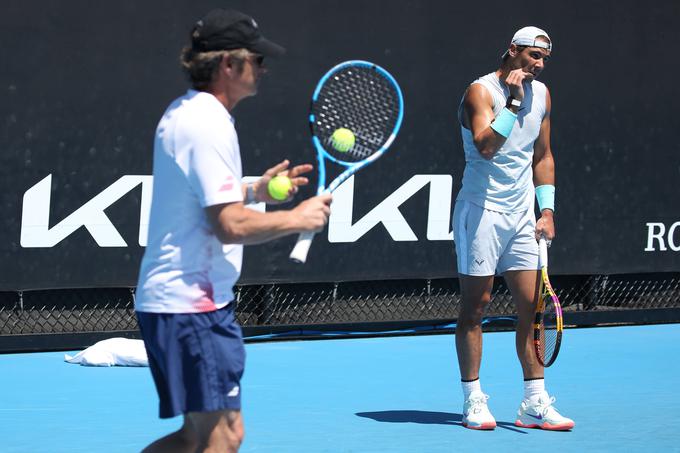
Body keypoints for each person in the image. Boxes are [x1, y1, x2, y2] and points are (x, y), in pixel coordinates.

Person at [134, 9, 332, 453]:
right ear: (229, 64)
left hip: (191, 304)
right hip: (189, 306)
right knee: (219, 438)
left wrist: (254, 189)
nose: (263, 68)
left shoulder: (191, 113)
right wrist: (298, 219)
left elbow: (201, 195)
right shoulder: (206, 124)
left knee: (203, 438)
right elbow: (229, 224)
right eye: (256, 60)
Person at [452, 26, 574, 431]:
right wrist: (514, 103)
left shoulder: (543, 94)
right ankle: (472, 398)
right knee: (477, 306)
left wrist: (547, 209)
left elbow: (543, 156)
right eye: (533, 57)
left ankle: (534, 402)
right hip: (480, 212)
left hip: (522, 215)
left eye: (544, 60)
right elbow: (487, 145)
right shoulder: (480, 92)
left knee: (533, 308)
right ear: (512, 51)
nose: (538, 66)